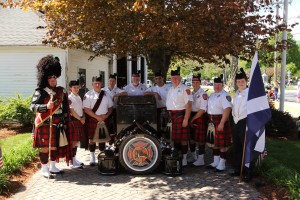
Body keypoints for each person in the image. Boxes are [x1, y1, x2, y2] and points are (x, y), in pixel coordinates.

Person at [30, 55, 71, 178]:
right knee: (44, 148)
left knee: (54, 147)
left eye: (55, 77)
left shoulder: (60, 91)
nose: (53, 79)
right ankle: (44, 169)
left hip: (57, 123)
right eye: (50, 77)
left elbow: (64, 109)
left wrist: (64, 119)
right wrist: (46, 107)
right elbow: (32, 107)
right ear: (45, 78)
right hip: (44, 123)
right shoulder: (40, 91)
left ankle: (52, 166)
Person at [83, 76, 113, 166]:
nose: (97, 85)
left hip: (104, 119)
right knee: (91, 139)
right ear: (92, 84)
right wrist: (97, 117)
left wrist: (107, 115)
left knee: (102, 139)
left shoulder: (106, 94)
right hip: (93, 119)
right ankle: (92, 157)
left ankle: (101, 156)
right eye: (95, 83)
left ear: (101, 84)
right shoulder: (88, 95)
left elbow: (111, 107)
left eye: (99, 83)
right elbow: (86, 109)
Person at [166, 67, 193, 166]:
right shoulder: (170, 89)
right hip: (171, 116)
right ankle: (177, 156)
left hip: (181, 115)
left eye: (176, 78)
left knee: (183, 139)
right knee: (175, 138)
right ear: (170, 78)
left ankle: (185, 158)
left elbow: (189, 104)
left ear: (180, 78)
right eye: (173, 78)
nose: (174, 79)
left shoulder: (185, 89)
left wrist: (186, 119)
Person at [230, 68, 252, 181]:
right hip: (236, 122)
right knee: (237, 146)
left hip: (245, 122)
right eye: (238, 82)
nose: (240, 83)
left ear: (246, 81)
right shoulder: (236, 94)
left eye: (242, 81)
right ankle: (237, 169)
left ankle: (247, 172)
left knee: (246, 147)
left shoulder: (250, 94)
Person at [206, 74, 232, 172]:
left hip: (221, 120)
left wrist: (222, 123)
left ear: (223, 85)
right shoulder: (212, 95)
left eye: (219, 84)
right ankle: (215, 162)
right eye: (215, 84)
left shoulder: (225, 96)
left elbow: (227, 109)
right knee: (214, 143)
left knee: (222, 144)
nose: (217, 86)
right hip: (212, 121)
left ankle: (222, 164)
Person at [189, 74, 208, 166]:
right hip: (192, 115)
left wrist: (192, 119)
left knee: (200, 140)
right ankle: (194, 157)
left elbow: (203, 109)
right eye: (193, 82)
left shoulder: (203, 94)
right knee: (191, 139)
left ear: (200, 83)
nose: (195, 84)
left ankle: (201, 159)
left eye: (197, 82)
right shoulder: (191, 93)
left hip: (199, 116)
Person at [144, 71, 170, 138]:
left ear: (163, 78)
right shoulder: (153, 88)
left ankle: (166, 141)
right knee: (157, 126)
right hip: (157, 109)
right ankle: (159, 140)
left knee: (166, 126)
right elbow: (145, 93)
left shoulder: (168, 88)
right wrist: (155, 93)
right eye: (156, 79)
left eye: (160, 78)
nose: (158, 80)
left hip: (166, 108)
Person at [101, 73, 127, 142]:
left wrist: (116, 95)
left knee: (115, 125)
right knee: (106, 124)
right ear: (108, 81)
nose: (111, 82)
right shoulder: (103, 90)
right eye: (110, 81)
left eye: (113, 81)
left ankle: (114, 140)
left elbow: (125, 93)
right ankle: (106, 139)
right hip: (105, 110)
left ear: (115, 82)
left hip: (115, 110)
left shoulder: (117, 89)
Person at [67, 80, 85, 168]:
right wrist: (80, 118)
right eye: (74, 87)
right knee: (73, 142)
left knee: (76, 141)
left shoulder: (78, 96)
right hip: (74, 121)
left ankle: (74, 158)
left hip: (79, 120)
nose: (76, 89)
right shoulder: (69, 97)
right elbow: (72, 111)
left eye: (77, 87)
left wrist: (82, 118)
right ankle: (71, 161)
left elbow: (81, 109)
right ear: (70, 88)